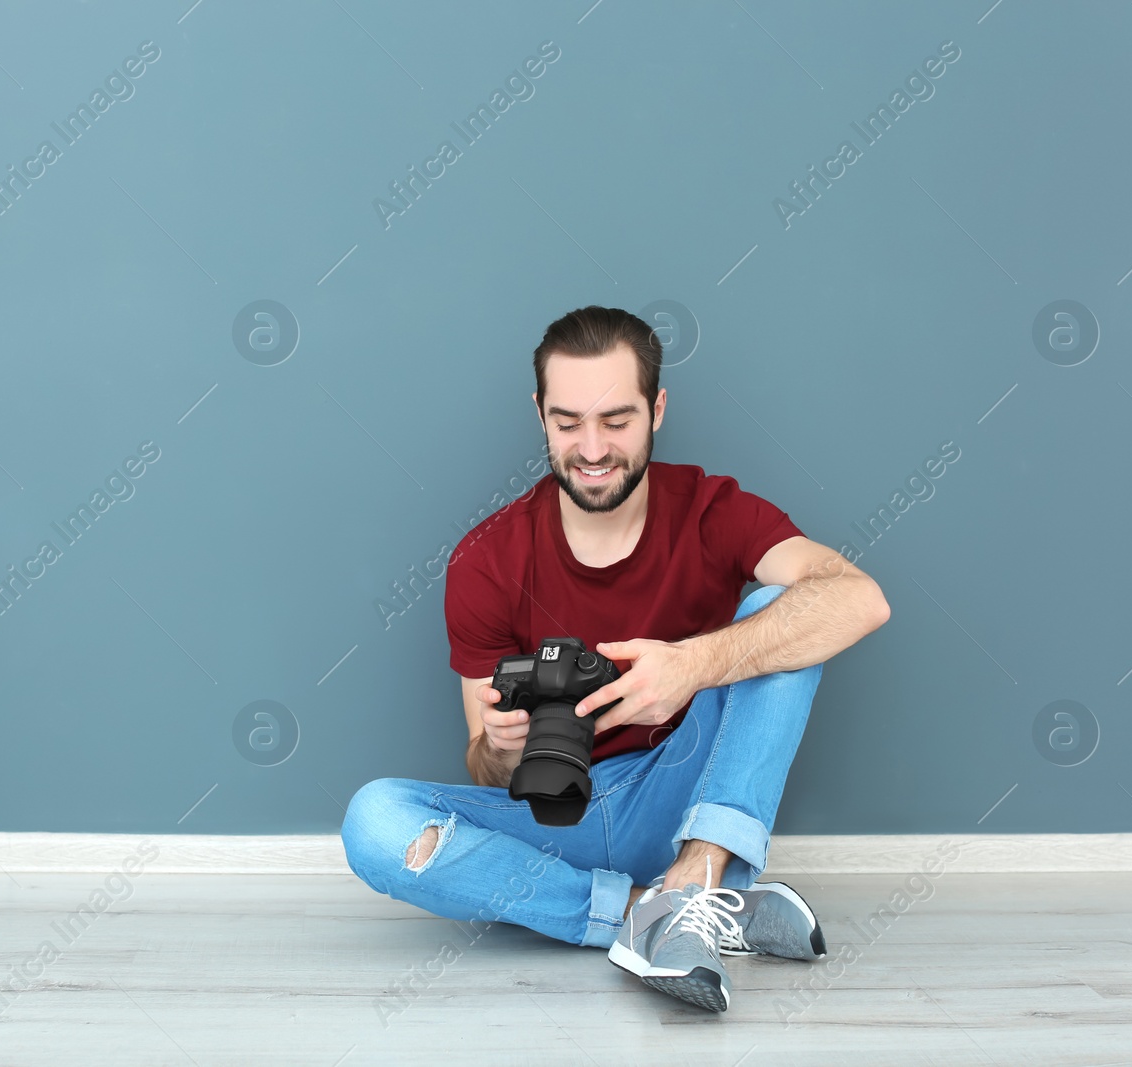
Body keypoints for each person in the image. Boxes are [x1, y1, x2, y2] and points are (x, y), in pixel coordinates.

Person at [341, 305, 891, 1013]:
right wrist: (502, 749)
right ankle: (653, 910)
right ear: (539, 414)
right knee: (374, 817)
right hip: (551, 819)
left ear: (657, 409)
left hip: (679, 793)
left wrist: (692, 665)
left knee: (783, 611)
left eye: (616, 420)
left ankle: (693, 879)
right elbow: (479, 763)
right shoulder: (486, 560)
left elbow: (861, 599)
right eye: (568, 422)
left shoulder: (711, 511)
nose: (592, 448)